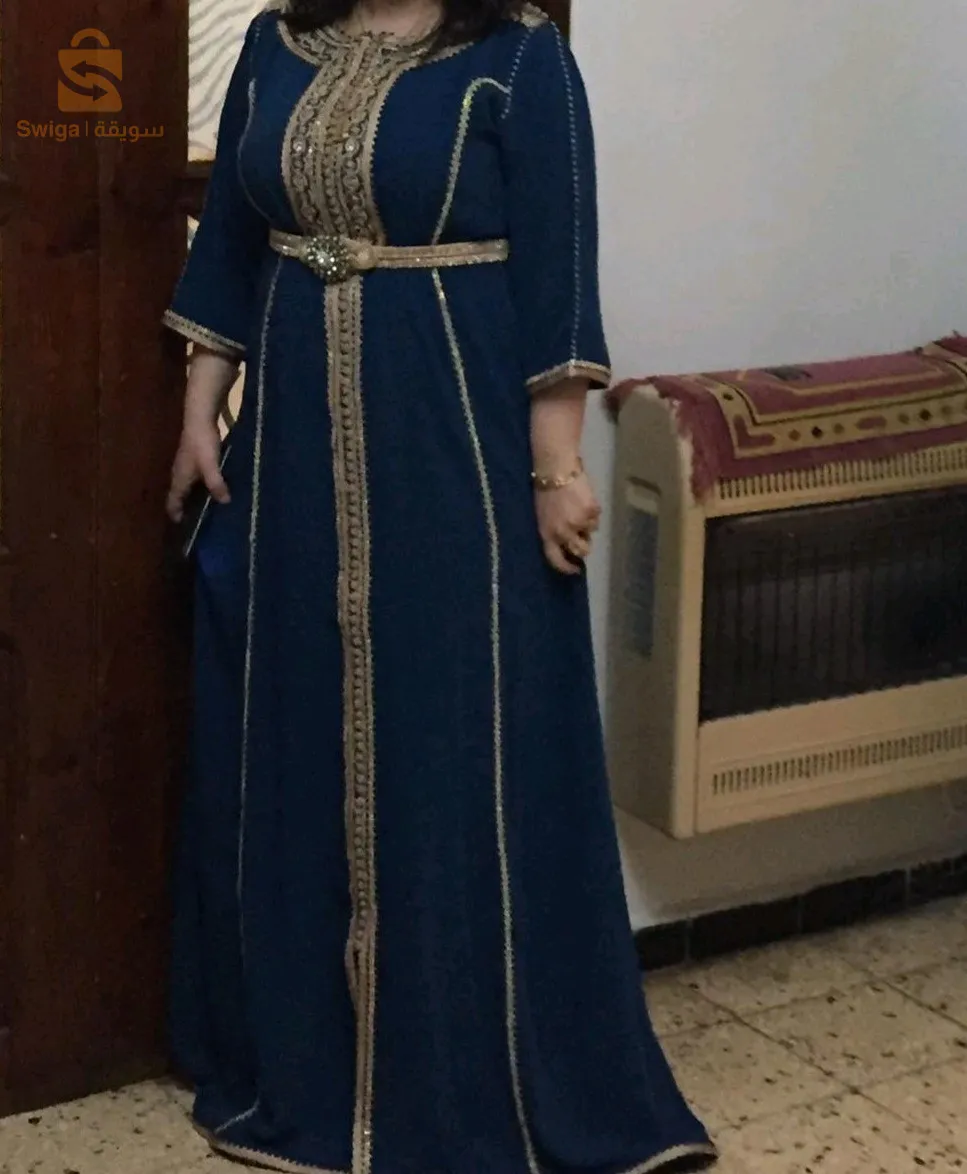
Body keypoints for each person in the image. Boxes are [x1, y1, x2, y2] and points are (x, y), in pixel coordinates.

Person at [163, 1, 716, 1171]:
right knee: (300, 724)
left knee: (455, 733)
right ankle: (306, 1061)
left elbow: (557, 275)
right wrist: (199, 407)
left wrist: (556, 468)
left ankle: (465, 1076)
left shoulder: (517, 58)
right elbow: (229, 239)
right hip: (292, 450)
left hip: (453, 440)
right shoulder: (275, 43)